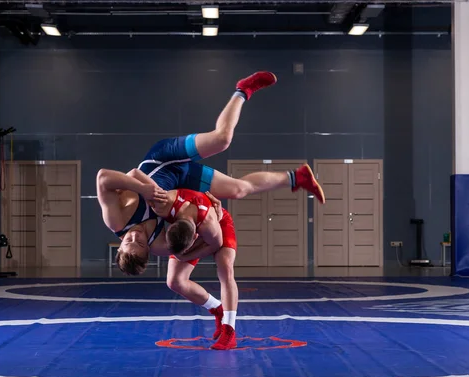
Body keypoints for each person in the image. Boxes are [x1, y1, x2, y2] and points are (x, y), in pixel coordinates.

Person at [97, 71, 325, 275]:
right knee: (238, 190)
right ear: (148, 249)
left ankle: (243, 90)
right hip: (182, 181)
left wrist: (144, 189)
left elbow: (104, 177)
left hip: (161, 160)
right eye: (139, 242)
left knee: (222, 139)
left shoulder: (116, 220)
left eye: (129, 240)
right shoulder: (160, 246)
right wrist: (212, 222)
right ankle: (298, 177)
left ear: (120, 242)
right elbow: (189, 247)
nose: (135, 236)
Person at [151, 188, 238, 350]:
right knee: (175, 281)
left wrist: (183, 257)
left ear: (194, 239)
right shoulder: (161, 205)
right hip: (190, 226)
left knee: (225, 268)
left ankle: (229, 330)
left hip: (219, 225)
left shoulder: (209, 226)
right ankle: (217, 309)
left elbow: (215, 244)